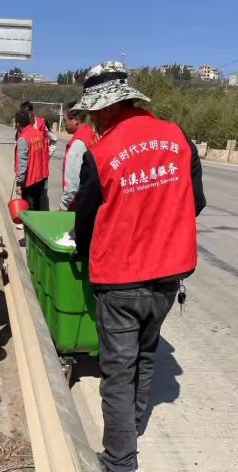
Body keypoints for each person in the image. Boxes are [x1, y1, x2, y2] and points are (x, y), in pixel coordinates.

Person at [72, 62, 206, 472]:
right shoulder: (178, 138)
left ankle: (119, 461)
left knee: (116, 371)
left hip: (120, 280)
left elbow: (86, 223)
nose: (92, 119)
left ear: (109, 107)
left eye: (94, 111)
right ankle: (134, 425)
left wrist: (87, 247)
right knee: (146, 352)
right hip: (168, 276)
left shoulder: (102, 153)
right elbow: (195, 202)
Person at [60, 101, 99, 211]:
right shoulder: (91, 135)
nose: (64, 124)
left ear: (75, 121)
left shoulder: (78, 144)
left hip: (78, 205)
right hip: (91, 199)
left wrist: (63, 206)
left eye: (65, 120)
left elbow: (73, 184)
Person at [20, 101, 58, 210]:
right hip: (28, 170)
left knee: (41, 196)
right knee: (27, 198)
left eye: (27, 115)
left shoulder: (42, 124)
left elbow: (54, 140)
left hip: (41, 169)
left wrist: (46, 156)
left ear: (32, 113)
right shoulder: (22, 126)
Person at [14, 110, 49, 211]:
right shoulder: (37, 133)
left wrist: (19, 183)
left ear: (17, 124)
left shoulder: (23, 139)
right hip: (41, 177)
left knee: (29, 210)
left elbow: (22, 162)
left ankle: (28, 227)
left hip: (30, 181)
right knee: (38, 207)